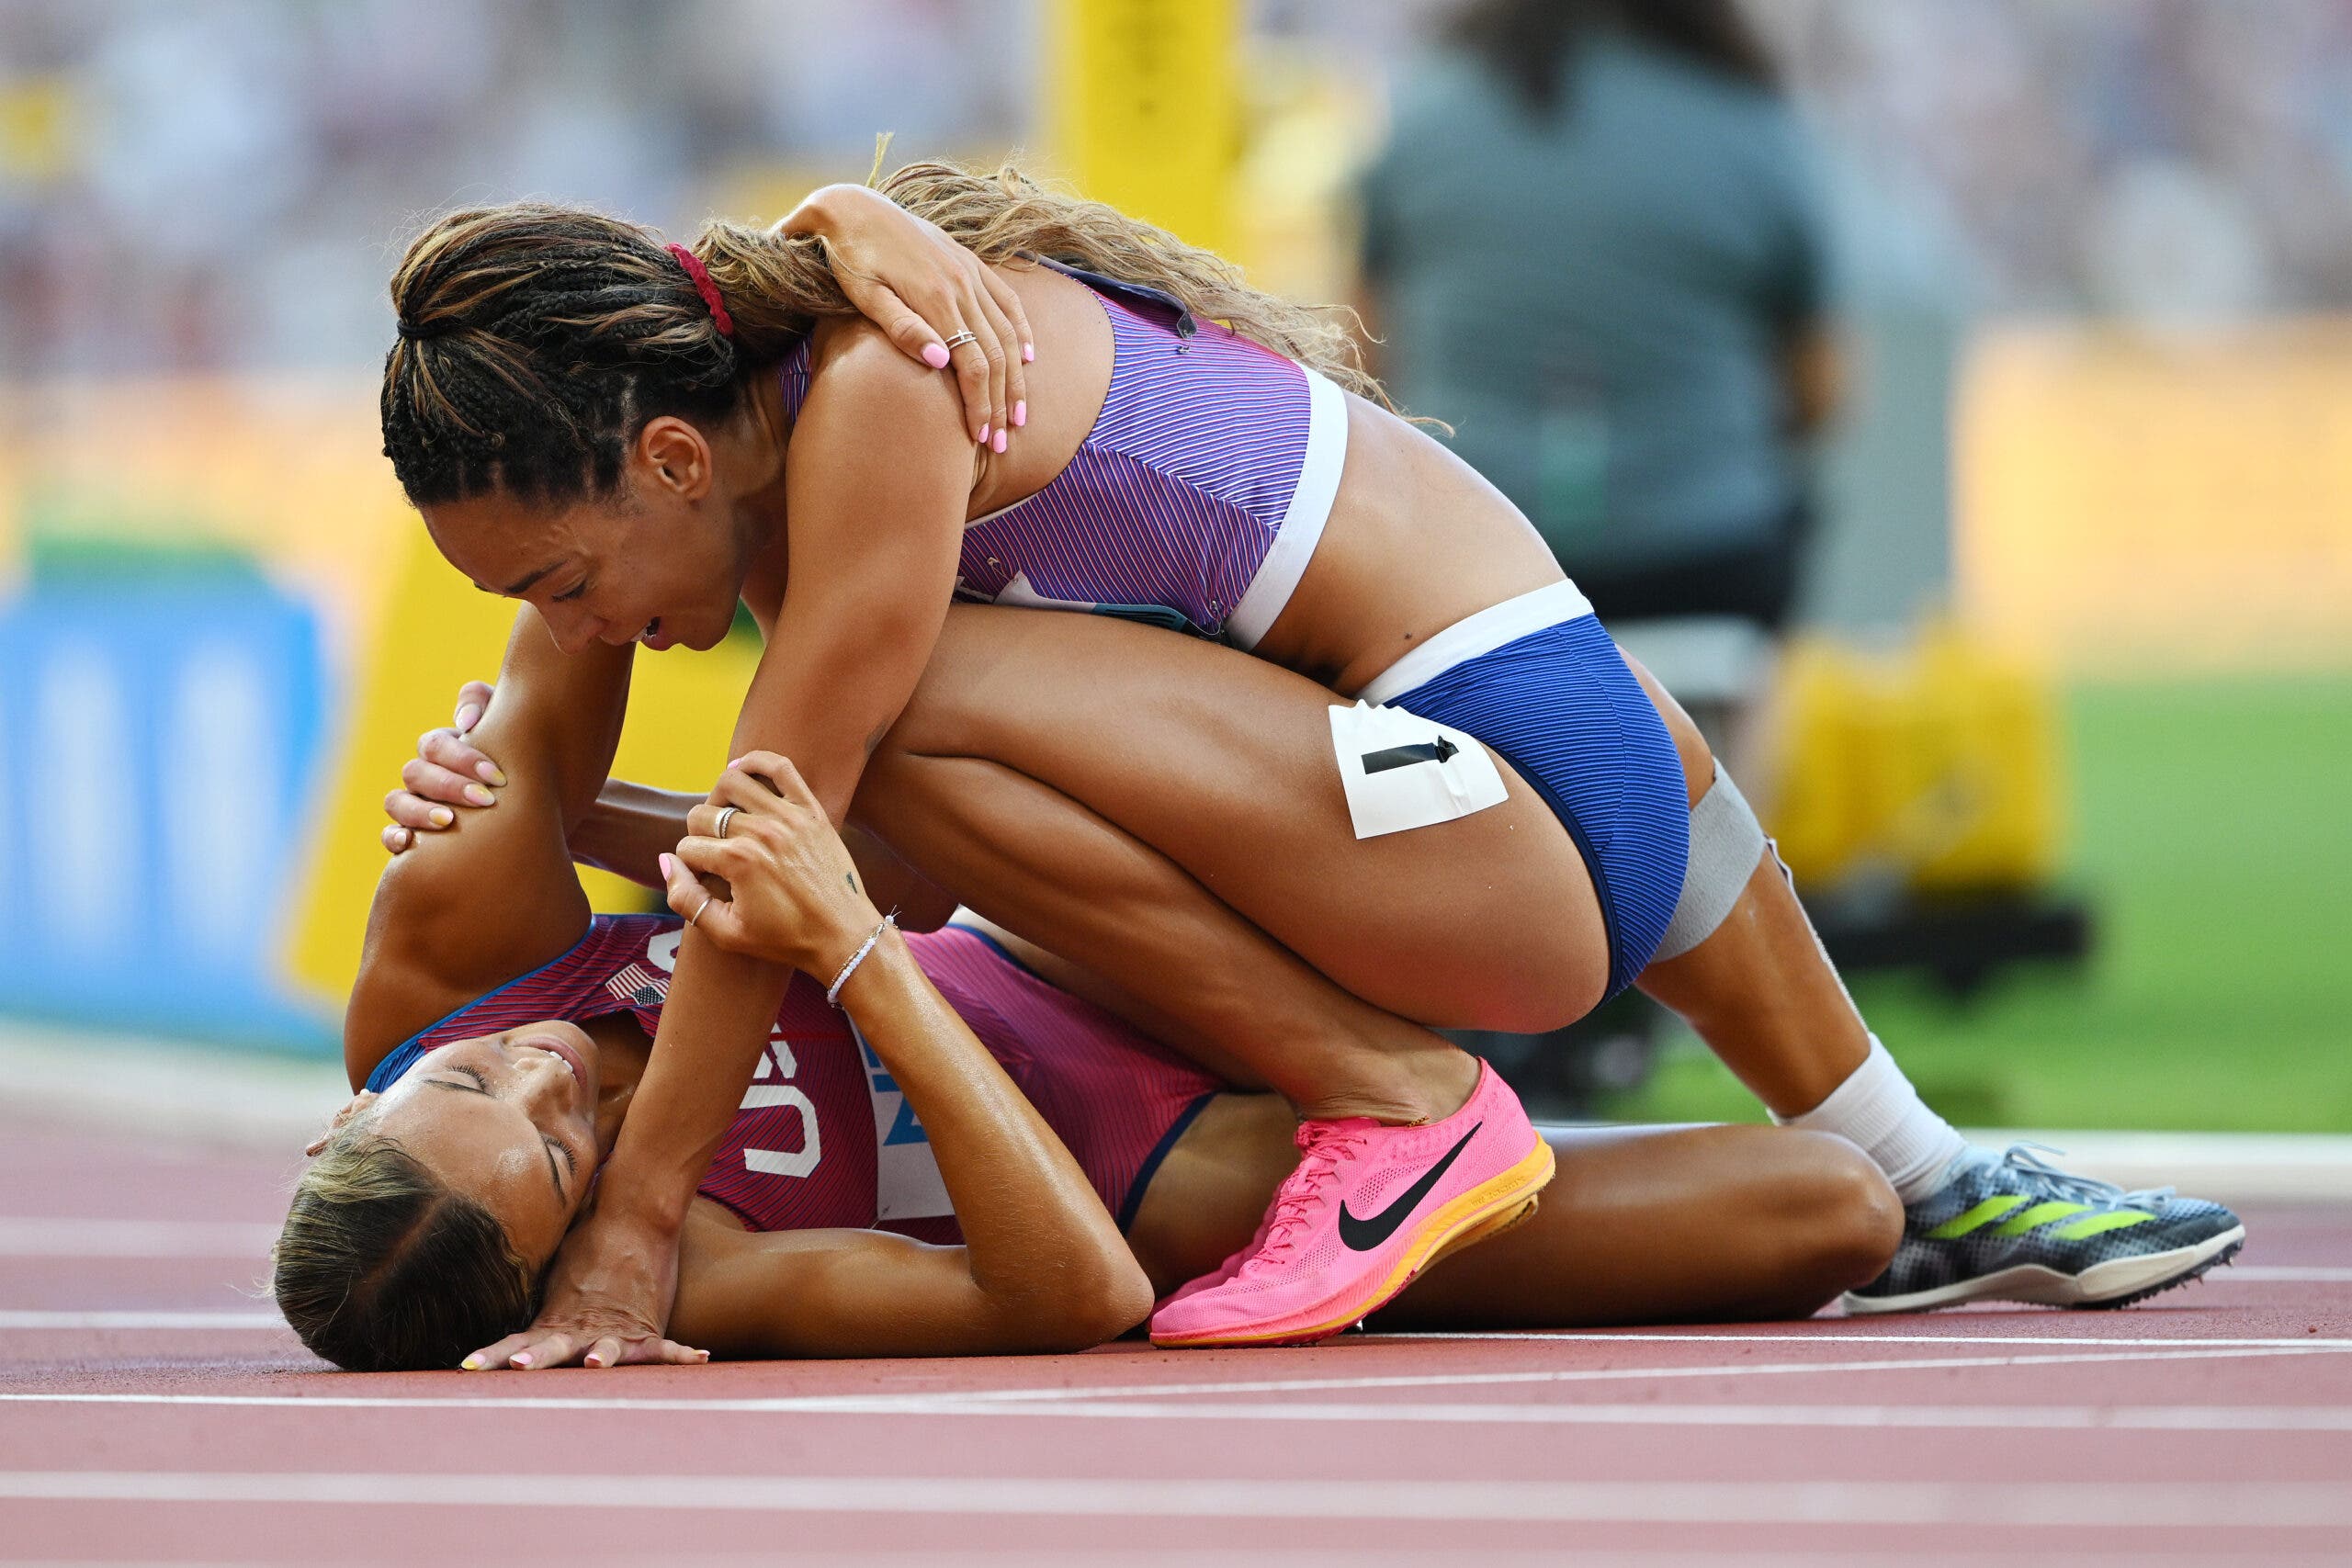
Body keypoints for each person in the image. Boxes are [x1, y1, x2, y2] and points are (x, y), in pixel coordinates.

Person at [372, 163, 2240, 1359]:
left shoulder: (866, 406)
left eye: (562, 580)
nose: (586, 628)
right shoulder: (801, 395)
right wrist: (568, 806)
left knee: (878, 737)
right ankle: (1918, 1168)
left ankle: (1391, 1107)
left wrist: (626, 1233)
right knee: (858, 772)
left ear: (675, 461)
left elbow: (797, 842)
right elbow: (899, 878)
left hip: (1497, 800)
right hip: (1557, 763)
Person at [277, 606, 1902, 1371]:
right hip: (1200, 1172)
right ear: (562, 1275)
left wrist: (564, 807)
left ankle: (1395, 1012)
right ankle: (1396, 1116)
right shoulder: (680, 1279)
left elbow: (582, 606)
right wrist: (853, 955)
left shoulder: (450, 959)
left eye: (479, 1081)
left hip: (1095, 928)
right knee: (1835, 1216)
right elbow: (1070, 1295)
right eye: (563, 1153)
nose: (556, 1070)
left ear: (365, 1094)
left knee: (892, 733)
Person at [1357, 0, 1838, 637]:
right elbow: (1823, 392)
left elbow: (1361, 358)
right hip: (1708, 568)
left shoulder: (1425, 112)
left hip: (1471, 568)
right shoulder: (1753, 123)